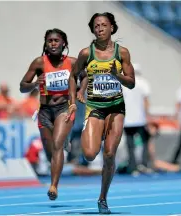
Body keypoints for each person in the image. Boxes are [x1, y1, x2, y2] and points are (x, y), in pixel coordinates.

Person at [67, 12, 135, 214]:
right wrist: (75, 97)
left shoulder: (122, 52)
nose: (100, 29)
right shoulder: (86, 54)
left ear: (112, 27)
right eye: (96, 26)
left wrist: (117, 75)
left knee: (110, 153)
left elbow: (131, 83)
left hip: (116, 107)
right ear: (93, 30)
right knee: (89, 155)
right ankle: (89, 133)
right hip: (95, 108)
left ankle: (103, 197)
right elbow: (74, 76)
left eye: (104, 25)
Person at [19, 28, 87, 200]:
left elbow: (85, 76)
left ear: (63, 43)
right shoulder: (39, 63)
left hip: (64, 108)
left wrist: (81, 91)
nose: (53, 44)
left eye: (56, 41)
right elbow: (22, 86)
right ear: (46, 44)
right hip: (44, 111)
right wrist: (35, 84)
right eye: (50, 41)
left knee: (57, 146)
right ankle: (63, 142)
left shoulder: (72, 62)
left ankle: (53, 186)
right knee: (50, 152)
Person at [123, 63, 151, 175]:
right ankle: (143, 164)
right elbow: (146, 102)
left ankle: (133, 166)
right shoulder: (143, 83)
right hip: (140, 119)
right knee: (145, 141)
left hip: (127, 119)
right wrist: (148, 116)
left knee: (130, 144)